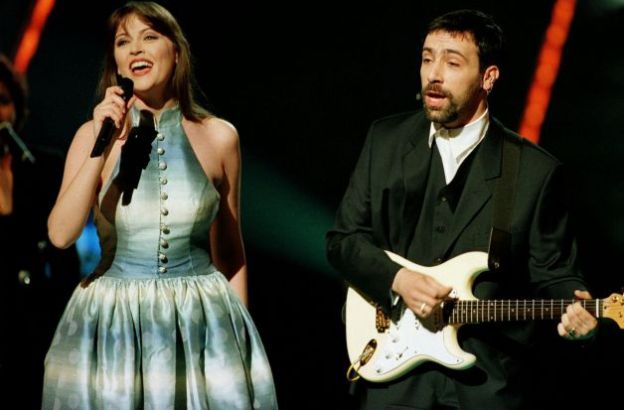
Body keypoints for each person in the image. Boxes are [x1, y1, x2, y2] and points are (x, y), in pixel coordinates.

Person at [326, 9, 598, 410]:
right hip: (393, 381)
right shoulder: (385, 140)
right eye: (427, 59)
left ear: (488, 77)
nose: (434, 74)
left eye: (452, 63)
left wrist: (580, 311)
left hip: (486, 385)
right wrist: (398, 279)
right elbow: (342, 241)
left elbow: (554, 271)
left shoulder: (534, 171)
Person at [42, 2, 277, 408]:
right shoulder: (91, 135)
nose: (135, 49)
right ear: (116, 62)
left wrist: (239, 336)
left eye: (149, 36)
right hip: (113, 323)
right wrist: (102, 141)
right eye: (123, 42)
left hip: (200, 321)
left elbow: (230, 253)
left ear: (177, 52)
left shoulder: (220, 137)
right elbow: (61, 235)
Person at [0, 54, 80, 408]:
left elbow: (65, 257)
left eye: (3, 101)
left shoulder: (43, 167)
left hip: (34, 328)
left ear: (17, 110)